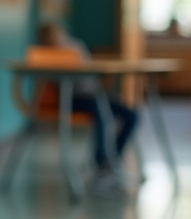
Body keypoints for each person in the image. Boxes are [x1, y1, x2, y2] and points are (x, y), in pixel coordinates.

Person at [36, 22, 138, 173]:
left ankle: (114, 157)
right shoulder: (45, 56)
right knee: (103, 115)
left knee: (132, 115)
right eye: (50, 38)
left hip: (93, 94)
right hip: (72, 99)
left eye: (56, 35)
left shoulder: (76, 46)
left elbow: (90, 74)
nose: (55, 40)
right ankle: (101, 162)